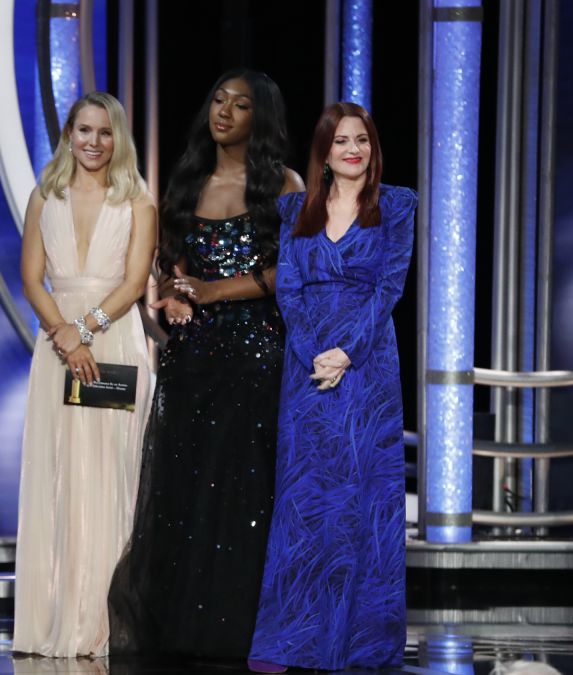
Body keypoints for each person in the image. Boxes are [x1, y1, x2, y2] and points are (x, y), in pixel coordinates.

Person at [107, 69, 303, 663]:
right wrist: (170, 294)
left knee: (245, 494)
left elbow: (286, 272)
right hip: (193, 357)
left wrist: (212, 293)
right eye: (218, 99)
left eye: (240, 105)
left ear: (259, 119)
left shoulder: (285, 185)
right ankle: (186, 625)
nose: (224, 112)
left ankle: (245, 627)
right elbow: (172, 267)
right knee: (186, 490)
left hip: (257, 355)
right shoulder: (190, 180)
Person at [247, 102, 416, 672]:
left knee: (362, 501)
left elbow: (390, 288)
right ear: (324, 151)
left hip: (367, 368)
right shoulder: (295, 208)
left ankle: (360, 643)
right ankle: (293, 639)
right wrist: (314, 352)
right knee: (306, 500)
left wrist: (347, 352)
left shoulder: (395, 205)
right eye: (341, 140)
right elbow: (288, 289)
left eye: (362, 140)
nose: (353, 149)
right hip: (307, 366)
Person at [13, 91, 156, 658]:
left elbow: (135, 280)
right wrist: (64, 335)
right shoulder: (44, 195)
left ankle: (105, 622)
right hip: (58, 351)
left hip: (114, 342)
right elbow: (30, 278)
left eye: (105, 132)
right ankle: (55, 618)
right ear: (68, 133)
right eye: (84, 130)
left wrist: (86, 329)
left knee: (110, 477)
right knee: (60, 476)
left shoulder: (137, 200)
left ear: (117, 138)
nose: (94, 142)